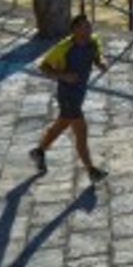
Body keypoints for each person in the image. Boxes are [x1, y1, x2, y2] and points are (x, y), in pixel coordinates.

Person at [29, 14, 109, 180]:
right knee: (81, 131)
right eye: (85, 27)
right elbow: (43, 66)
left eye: (89, 26)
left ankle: (39, 152)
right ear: (75, 30)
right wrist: (63, 76)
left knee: (62, 124)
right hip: (67, 95)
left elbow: (97, 55)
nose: (89, 29)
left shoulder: (93, 41)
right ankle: (91, 170)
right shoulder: (64, 47)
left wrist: (101, 63)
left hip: (79, 94)